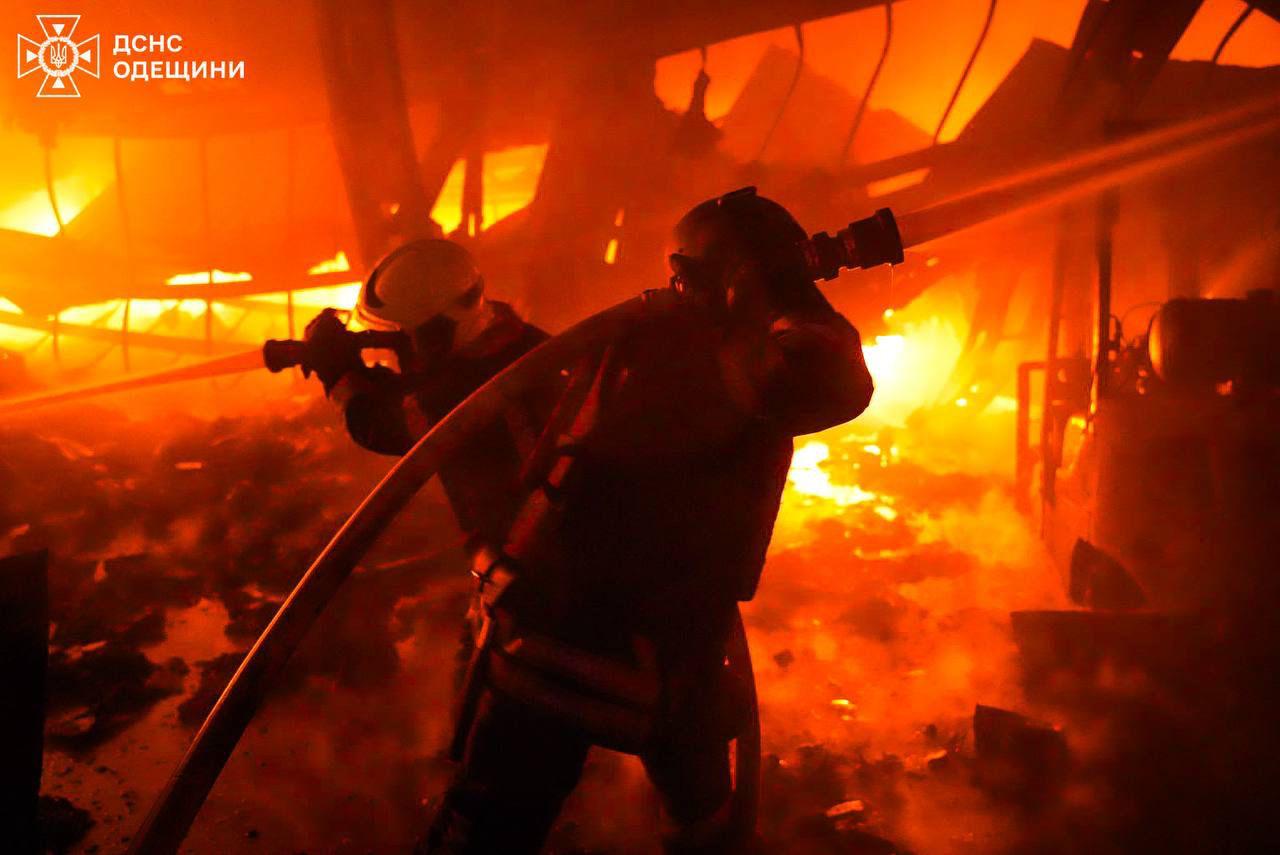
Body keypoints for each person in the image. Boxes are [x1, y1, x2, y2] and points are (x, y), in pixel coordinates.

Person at [424, 187, 875, 854]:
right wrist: (780, 296)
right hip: (594, 644)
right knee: (496, 827)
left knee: (693, 822)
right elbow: (832, 384)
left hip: (617, 641)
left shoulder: (676, 344)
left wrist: (769, 292)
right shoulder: (707, 362)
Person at [299, 238, 550, 637]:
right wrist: (371, 379)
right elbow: (426, 388)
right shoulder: (517, 343)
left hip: (538, 575)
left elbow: (381, 427)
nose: (401, 355)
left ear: (437, 332)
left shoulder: (467, 389)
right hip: (551, 551)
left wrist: (339, 375)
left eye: (404, 341)